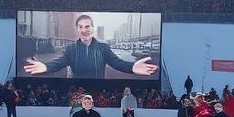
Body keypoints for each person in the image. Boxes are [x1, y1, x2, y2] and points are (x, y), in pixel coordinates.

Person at [23, 14, 157, 78]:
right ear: (77, 29)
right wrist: (46, 66)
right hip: (78, 91)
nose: (84, 30)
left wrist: (132, 67)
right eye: (80, 27)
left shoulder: (103, 48)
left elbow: (118, 63)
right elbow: (58, 63)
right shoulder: (70, 49)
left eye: (87, 26)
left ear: (92, 28)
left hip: (98, 90)